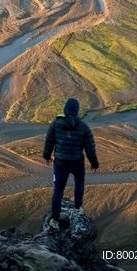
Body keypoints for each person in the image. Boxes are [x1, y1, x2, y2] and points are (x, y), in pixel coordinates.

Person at [42, 97, 98, 229]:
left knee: (58, 190)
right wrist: (94, 164)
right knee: (79, 182)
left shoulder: (55, 123)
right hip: (77, 162)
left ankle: (55, 221)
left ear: (65, 109)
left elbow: (49, 141)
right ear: (77, 110)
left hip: (60, 163)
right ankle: (77, 208)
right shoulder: (84, 127)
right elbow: (90, 148)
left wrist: (46, 156)